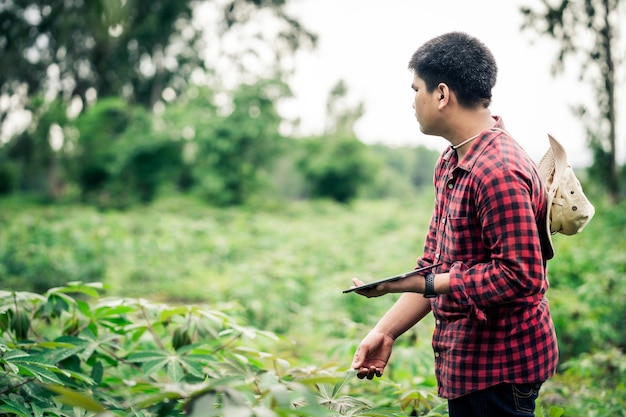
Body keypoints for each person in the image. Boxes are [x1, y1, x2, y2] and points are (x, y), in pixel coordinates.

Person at [348, 32, 558, 417]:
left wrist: (428, 283)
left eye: (416, 90)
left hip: (500, 371)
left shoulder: (498, 170)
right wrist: (386, 330)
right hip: (466, 363)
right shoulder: (451, 161)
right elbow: (436, 265)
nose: (413, 102)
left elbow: (520, 275)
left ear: (442, 94)